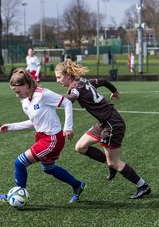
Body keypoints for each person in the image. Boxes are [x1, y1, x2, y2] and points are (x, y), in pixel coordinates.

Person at [55, 59, 151, 199]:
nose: (57, 80)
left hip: (112, 124)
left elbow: (70, 99)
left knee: (115, 162)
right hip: (103, 122)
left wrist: (51, 101)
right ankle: (110, 165)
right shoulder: (84, 81)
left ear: (68, 75)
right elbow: (104, 81)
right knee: (80, 146)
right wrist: (115, 91)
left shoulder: (76, 88)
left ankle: (143, 186)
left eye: (59, 77)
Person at [0, 68, 86, 204]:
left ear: (26, 85)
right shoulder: (25, 102)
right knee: (48, 168)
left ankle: (18, 193)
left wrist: (68, 127)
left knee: (19, 163)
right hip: (42, 137)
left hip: (52, 139)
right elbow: (34, 123)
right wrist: (11, 127)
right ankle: (77, 185)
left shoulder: (43, 94)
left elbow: (67, 102)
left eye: (18, 91)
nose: (17, 95)